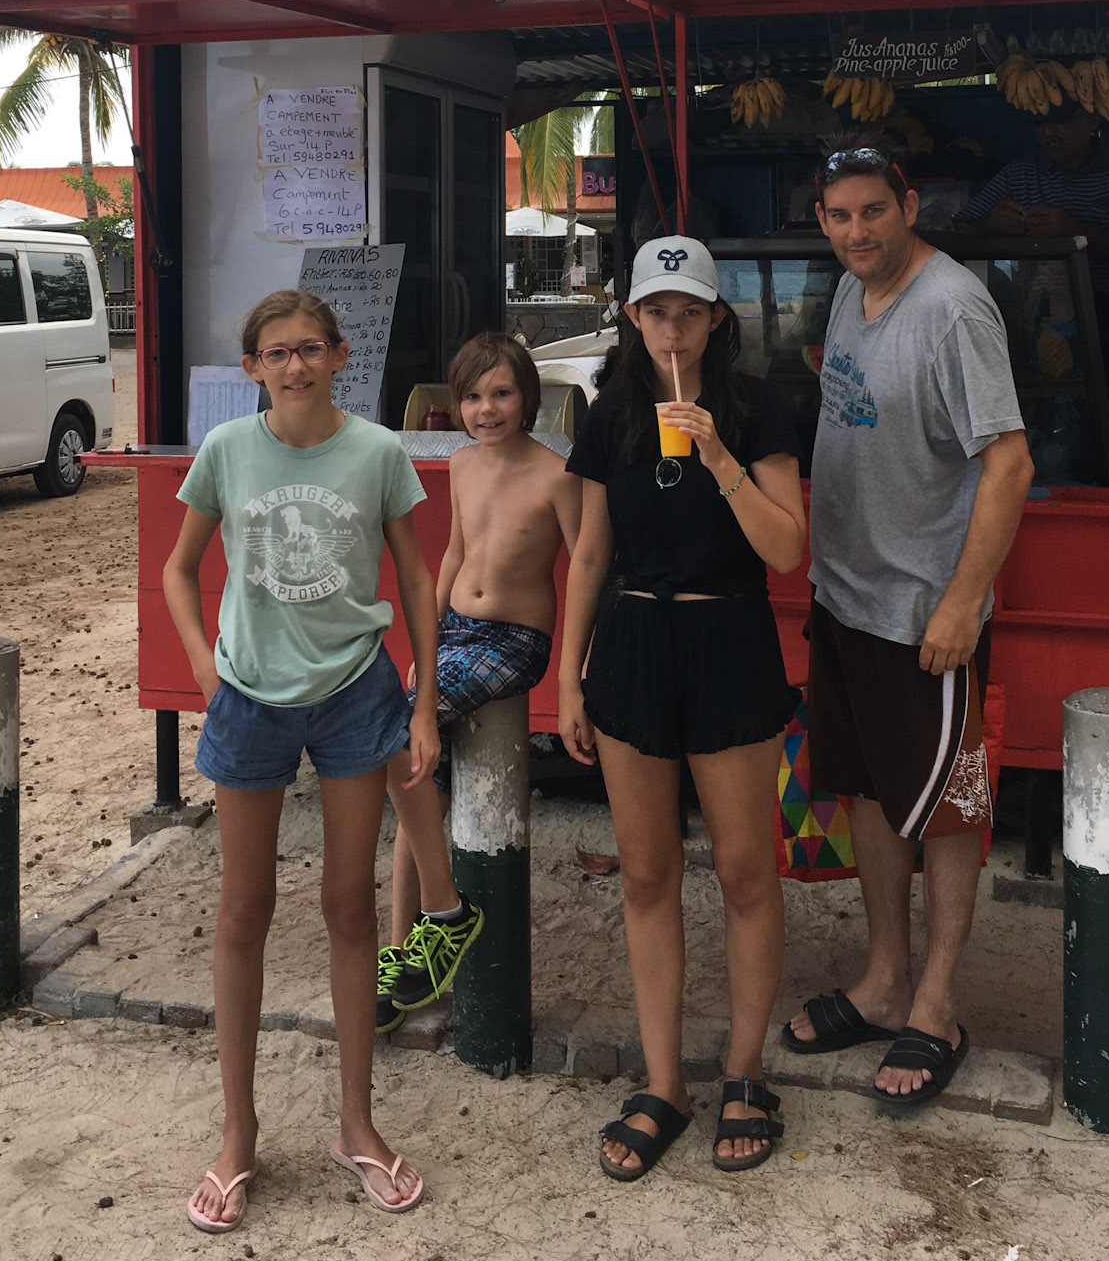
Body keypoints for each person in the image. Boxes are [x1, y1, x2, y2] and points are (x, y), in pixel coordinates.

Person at [164, 289, 439, 1227]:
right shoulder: (226, 450)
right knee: (244, 908)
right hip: (248, 698)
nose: (295, 366)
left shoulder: (379, 452)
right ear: (252, 367)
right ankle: (237, 1133)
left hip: (356, 690)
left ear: (340, 354)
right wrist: (204, 669)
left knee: (350, 906)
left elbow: (414, 578)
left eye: (311, 349)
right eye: (276, 353)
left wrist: (423, 701)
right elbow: (178, 568)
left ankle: (357, 1123)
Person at [785, 148, 1033, 1107]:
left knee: (948, 804)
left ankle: (937, 1003)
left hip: (925, 609)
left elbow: (1008, 463)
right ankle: (885, 977)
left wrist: (964, 600)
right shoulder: (852, 294)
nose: (858, 231)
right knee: (867, 790)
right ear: (822, 220)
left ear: (910, 207)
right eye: (840, 215)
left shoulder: (954, 308)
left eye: (874, 211)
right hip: (846, 596)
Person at [559, 236, 807, 1180]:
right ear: (633, 318)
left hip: (729, 637)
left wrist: (718, 455)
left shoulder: (755, 407)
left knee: (745, 869)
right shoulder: (611, 413)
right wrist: (569, 677)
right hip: (633, 642)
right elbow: (590, 552)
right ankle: (663, 1082)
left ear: (715, 318)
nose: (673, 328)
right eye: (657, 311)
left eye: (690, 312)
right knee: (645, 873)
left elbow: (786, 550)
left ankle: (745, 1072)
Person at [377, 332, 580, 1031]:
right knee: (416, 781)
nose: (486, 409)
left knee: (398, 733)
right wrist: (426, 643)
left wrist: (578, 670)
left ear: (528, 397)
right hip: (456, 632)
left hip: (515, 641)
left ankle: (446, 918)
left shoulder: (558, 474)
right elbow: (454, 553)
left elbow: (586, 567)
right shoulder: (461, 463)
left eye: (501, 394)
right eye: (471, 397)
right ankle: (403, 952)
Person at [955, 103, 1109, 482]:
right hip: (1032, 334)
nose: (1049, 132)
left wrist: (1077, 230)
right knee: (1044, 441)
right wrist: (990, 223)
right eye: (1040, 123)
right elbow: (959, 231)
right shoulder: (1021, 174)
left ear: (1093, 119)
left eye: (1062, 121)